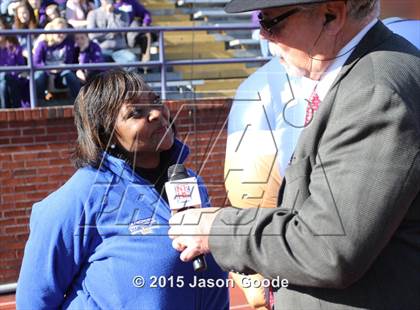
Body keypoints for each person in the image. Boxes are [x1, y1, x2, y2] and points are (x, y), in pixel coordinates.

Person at [169, 1, 420, 309]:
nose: (262, 35)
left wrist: (216, 228)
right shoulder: (368, 74)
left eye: (270, 21)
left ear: (332, 14)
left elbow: (327, 245)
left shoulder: (374, 90)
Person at [16, 69, 229, 309]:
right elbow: (34, 300)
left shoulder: (189, 182)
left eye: (156, 101)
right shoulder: (81, 197)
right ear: (107, 133)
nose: (158, 113)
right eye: (136, 112)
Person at [33, 17, 80, 100]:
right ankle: (38, 104)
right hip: (45, 70)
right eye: (58, 31)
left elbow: (70, 61)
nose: (61, 34)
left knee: (71, 77)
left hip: (62, 70)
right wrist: (49, 70)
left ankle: (77, 103)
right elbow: (36, 62)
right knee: (39, 77)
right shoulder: (43, 43)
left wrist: (61, 68)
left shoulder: (69, 43)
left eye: (64, 32)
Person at [0, 16, 30, 108]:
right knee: (4, 82)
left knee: (8, 81)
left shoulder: (15, 46)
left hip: (13, 78)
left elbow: (20, 66)